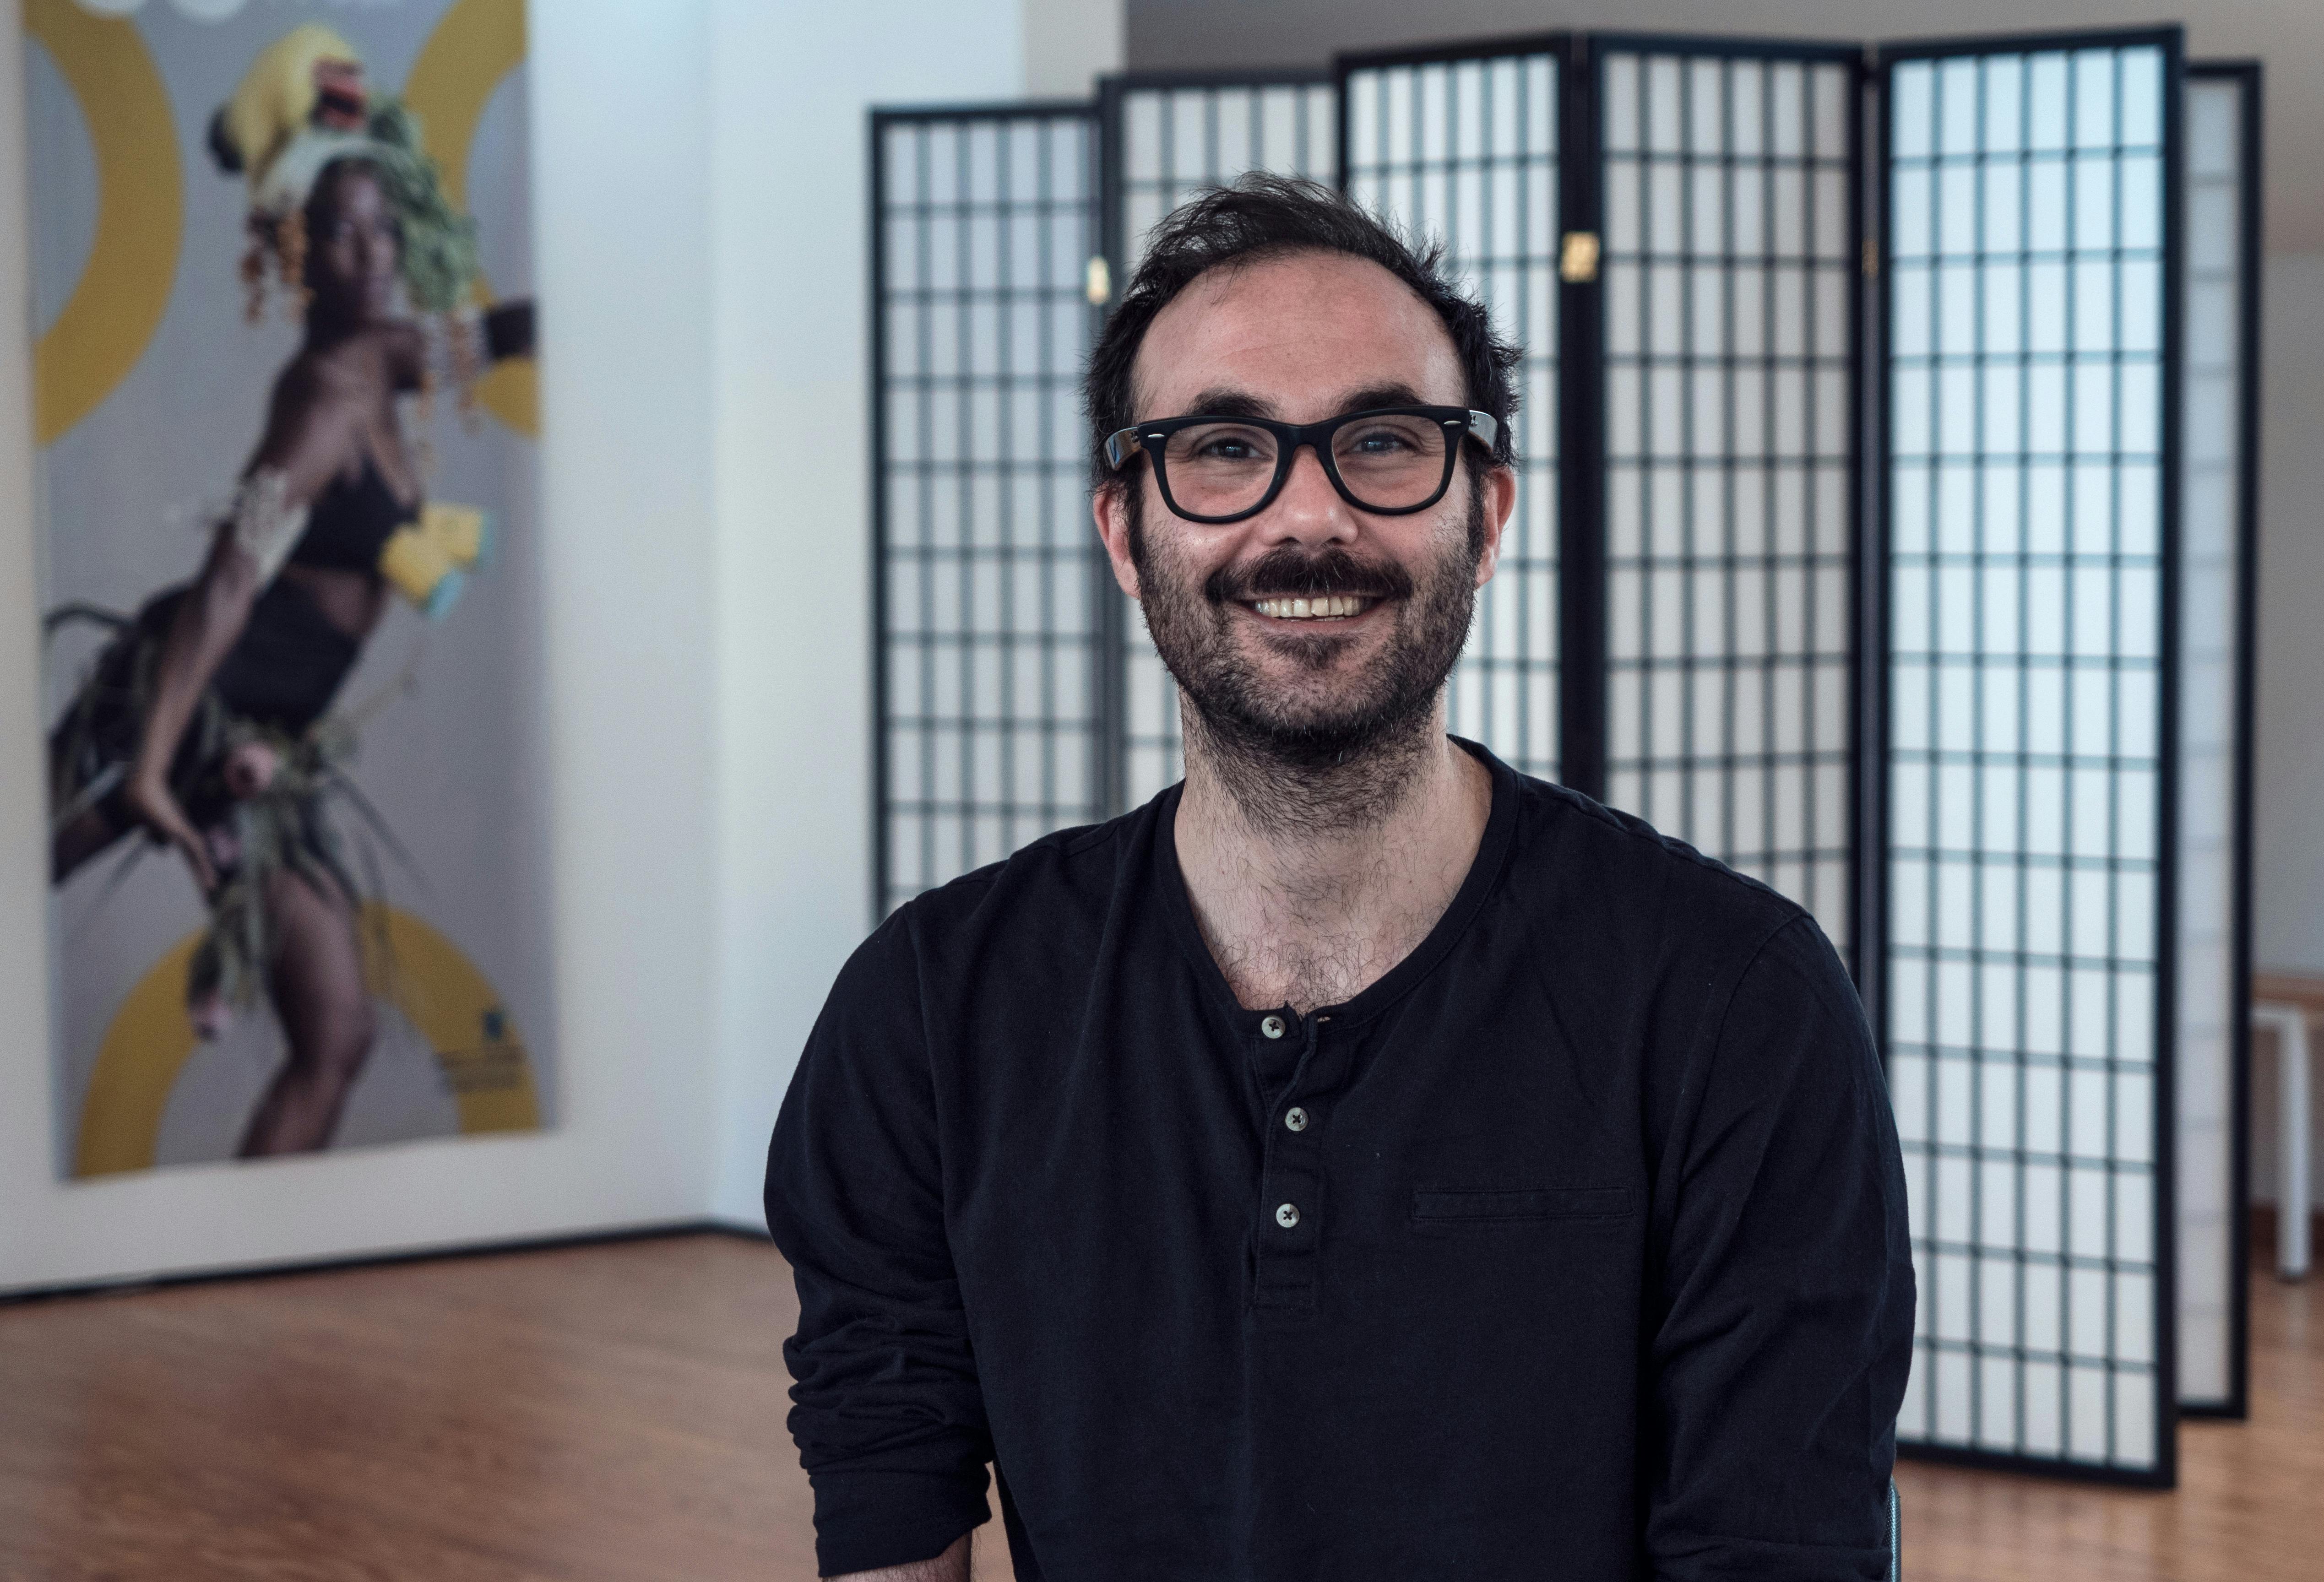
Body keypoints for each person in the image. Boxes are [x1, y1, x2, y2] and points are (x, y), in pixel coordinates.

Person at [766, 174, 1912, 1581]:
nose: (1307, 518)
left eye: (1381, 441)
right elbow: (890, 1509)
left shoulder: (1735, 1005)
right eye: (1226, 447)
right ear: (1127, 532)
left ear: (1486, 513)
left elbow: (1779, 1546)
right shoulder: (934, 1014)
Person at [46, 27, 531, 1157]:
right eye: (337, 230)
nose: (364, 251)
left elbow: (481, 339)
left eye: (380, 227)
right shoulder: (321, 399)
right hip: (194, 707)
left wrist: (566, 322)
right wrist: (157, 766)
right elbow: (228, 579)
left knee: (338, 1033)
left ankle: (258, 1253)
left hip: (267, 743)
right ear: (293, 248)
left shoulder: (388, 356)